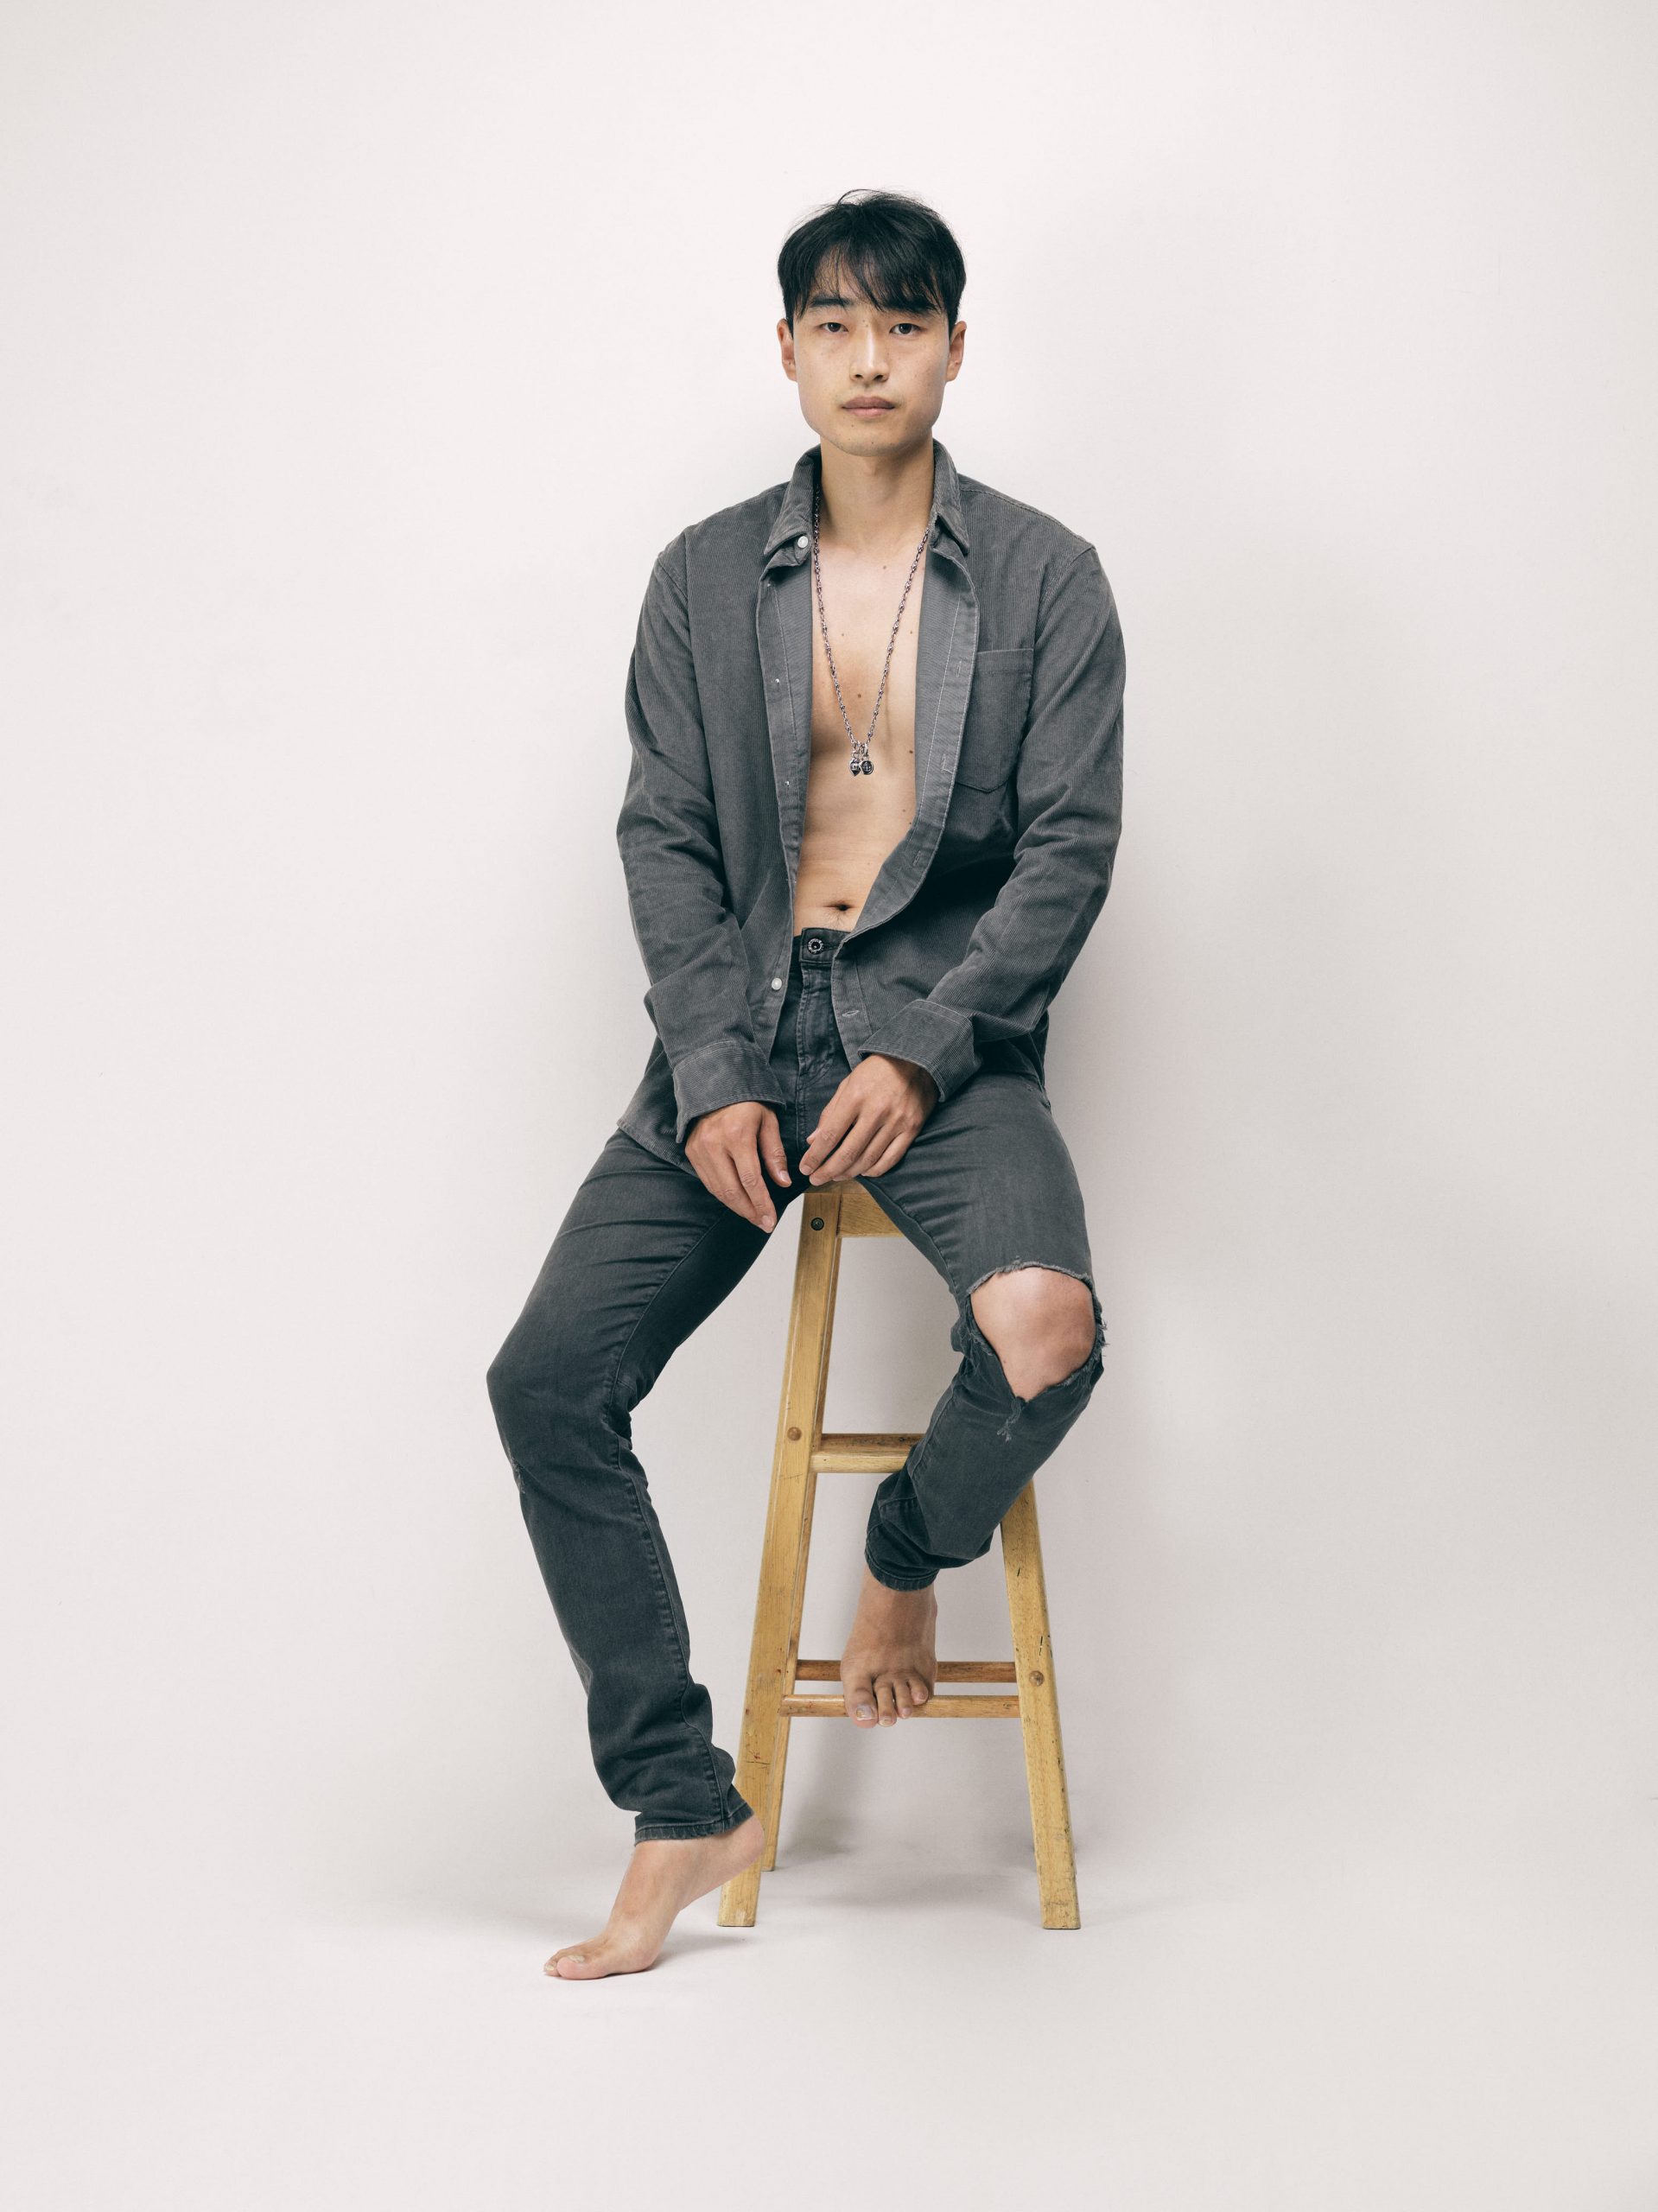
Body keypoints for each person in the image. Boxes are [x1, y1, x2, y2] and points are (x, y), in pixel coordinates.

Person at [486, 188, 1126, 1980]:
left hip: (946, 1030)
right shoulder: (703, 576)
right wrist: (709, 1071)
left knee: (1047, 1328)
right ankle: (680, 1800)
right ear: (786, 351)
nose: (868, 357)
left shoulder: (1049, 576)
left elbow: (1069, 850)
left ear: (955, 348)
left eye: (903, 323)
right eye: (834, 324)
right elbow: (667, 836)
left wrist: (925, 1048)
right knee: (547, 1381)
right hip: (743, 1032)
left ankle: (906, 1547)